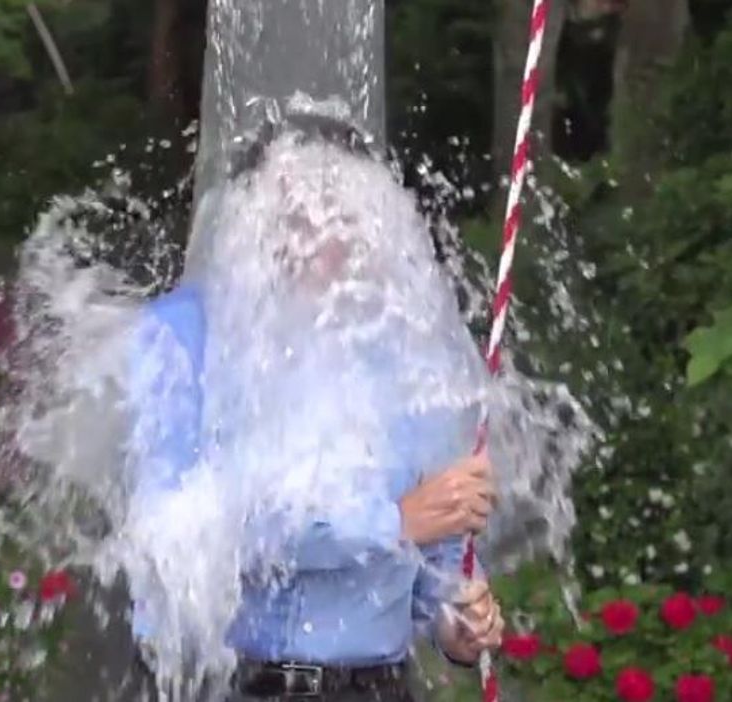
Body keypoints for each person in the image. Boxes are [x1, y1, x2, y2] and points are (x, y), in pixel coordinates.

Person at [126, 114, 504, 701]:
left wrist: (457, 623)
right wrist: (395, 522)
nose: (315, 239)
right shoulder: (183, 339)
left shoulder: (399, 344)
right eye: (293, 215)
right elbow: (197, 535)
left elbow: (437, 547)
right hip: (238, 684)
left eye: (340, 215)